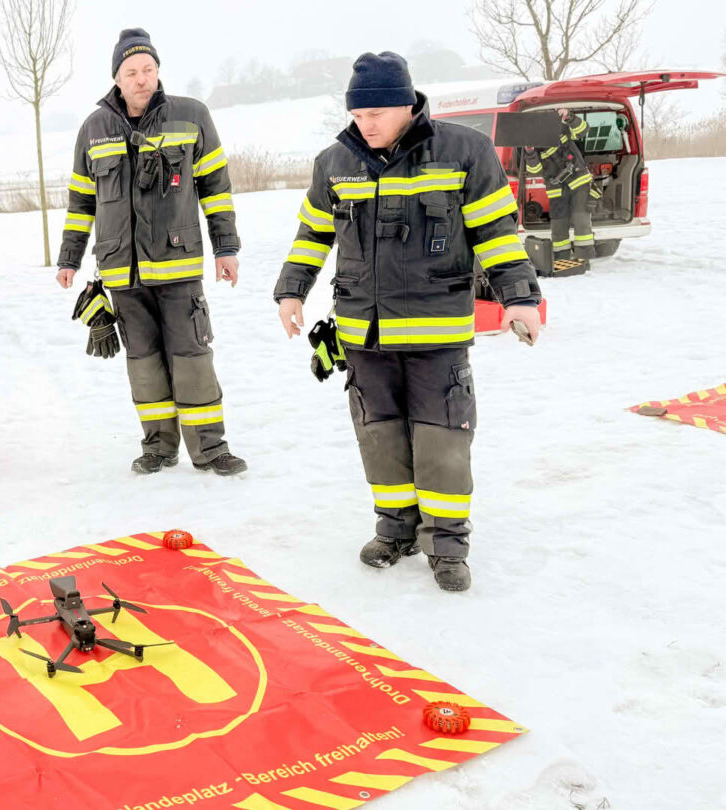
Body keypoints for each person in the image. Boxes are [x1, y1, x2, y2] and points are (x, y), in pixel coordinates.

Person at [272, 52, 542, 591]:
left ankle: (446, 546)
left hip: (435, 332)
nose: (364, 124)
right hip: (363, 334)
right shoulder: (335, 163)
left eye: (375, 113)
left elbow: (496, 234)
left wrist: (518, 298)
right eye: (357, 114)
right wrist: (291, 290)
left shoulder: (465, 151)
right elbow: (312, 236)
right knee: (379, 434)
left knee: (442, 438)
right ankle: (395, 529)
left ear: (406, 104)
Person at [56, 28, 247, 477]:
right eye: (131, 72)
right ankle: (158, 447)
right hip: (121, 270)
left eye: (148, 70)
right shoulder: (93, 129)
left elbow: (215, 190)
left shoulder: (191, 116)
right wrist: (69, 258)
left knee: (192, 359)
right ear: (116, 79)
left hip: (178, 265)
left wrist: (226, 248)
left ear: (158, 72)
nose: (142, 79)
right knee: (143, 365)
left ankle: (211, 449)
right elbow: (81, 201)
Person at [521, 108, 597, 262]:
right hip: (556, 189)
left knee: (581, 221)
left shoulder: (562, 129)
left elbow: (583, 130)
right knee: (558, 226)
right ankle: (561, 259)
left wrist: (569, 116)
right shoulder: (532, 144)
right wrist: (529, 152)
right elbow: (534, 169)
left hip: (578, 184)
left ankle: (584, 259)